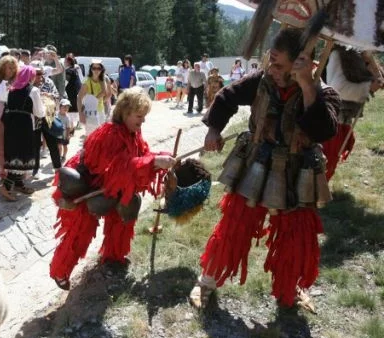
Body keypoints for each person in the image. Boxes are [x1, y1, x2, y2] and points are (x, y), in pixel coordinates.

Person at [190, 28, 340, 310]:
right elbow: (226, 96)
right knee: (234, 225)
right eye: (271, 60)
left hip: (298, 172)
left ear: (301, 64)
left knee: (296, 237)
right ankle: (206, 281)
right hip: (255, 164)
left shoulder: (324, 93)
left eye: (279, 64)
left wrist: (307, 85)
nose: (271, 68)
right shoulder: (261, 81)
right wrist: (213, 129)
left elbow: (324, 129)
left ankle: (289, 288)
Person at [49, 87, 176, 290]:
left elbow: (143, 155)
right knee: (81, 230)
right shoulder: (109, 134)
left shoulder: (133, 134)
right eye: (139, 116)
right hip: (87, 185)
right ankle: (59, 272)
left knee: (127, 207)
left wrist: (161, 157)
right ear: (125, 112)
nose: (142, 121)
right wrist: (153, 162)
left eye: (144, 117)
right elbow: (118, 169)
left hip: (109, 188)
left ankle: (113, 257)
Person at [321, 45, 382, 180]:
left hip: (343, 120)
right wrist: (368, 88)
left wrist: (370, 62)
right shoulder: (339, 53)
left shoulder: (358, 54)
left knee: (332, 159)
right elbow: (337, 89)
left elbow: (377, 78)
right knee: (324, 161)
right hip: (331, 118)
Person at [0, 66, 45, 201]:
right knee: (22, 155)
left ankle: (19, 184)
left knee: (15, 153)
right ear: (30, 77)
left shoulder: (11, 90)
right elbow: (39, 112)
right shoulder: (33, 90)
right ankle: (6, 187)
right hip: (24, 126)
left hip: (11, 126)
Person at [31, 61, 62, 176]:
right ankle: (35, 169)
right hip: (34, 118)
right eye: (36, 73)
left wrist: (50, 96)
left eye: (40, 73)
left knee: (52, 143)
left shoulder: (49, 82)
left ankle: (58, 169)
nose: (38, 76)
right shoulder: (28, 84)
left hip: (48, 117)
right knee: (35, 145)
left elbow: (57, 96)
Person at [78, 59, 109, 136]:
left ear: (102, 70)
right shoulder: (87, 82)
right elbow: (79, 98)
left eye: (99, 68)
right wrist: (81, 114)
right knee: (91, 137)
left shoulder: (102, 80)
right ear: (91, 69)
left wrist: (96, 100)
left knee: (101, 136)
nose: (96, 70)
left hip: (101, 111)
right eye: (94, 68)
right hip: (90, 112)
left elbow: (105, 93)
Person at [57, 99, 74, 163]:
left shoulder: (67, 117)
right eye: (64, 107)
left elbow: (68, 127)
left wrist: (67, 136)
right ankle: (59, 156)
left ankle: (64, 156)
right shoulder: (57, 115)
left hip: (65, 134)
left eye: (67, 107)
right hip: (58, 134)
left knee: (65, 146)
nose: (66, 108)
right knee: (59, 146)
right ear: (60, 107)